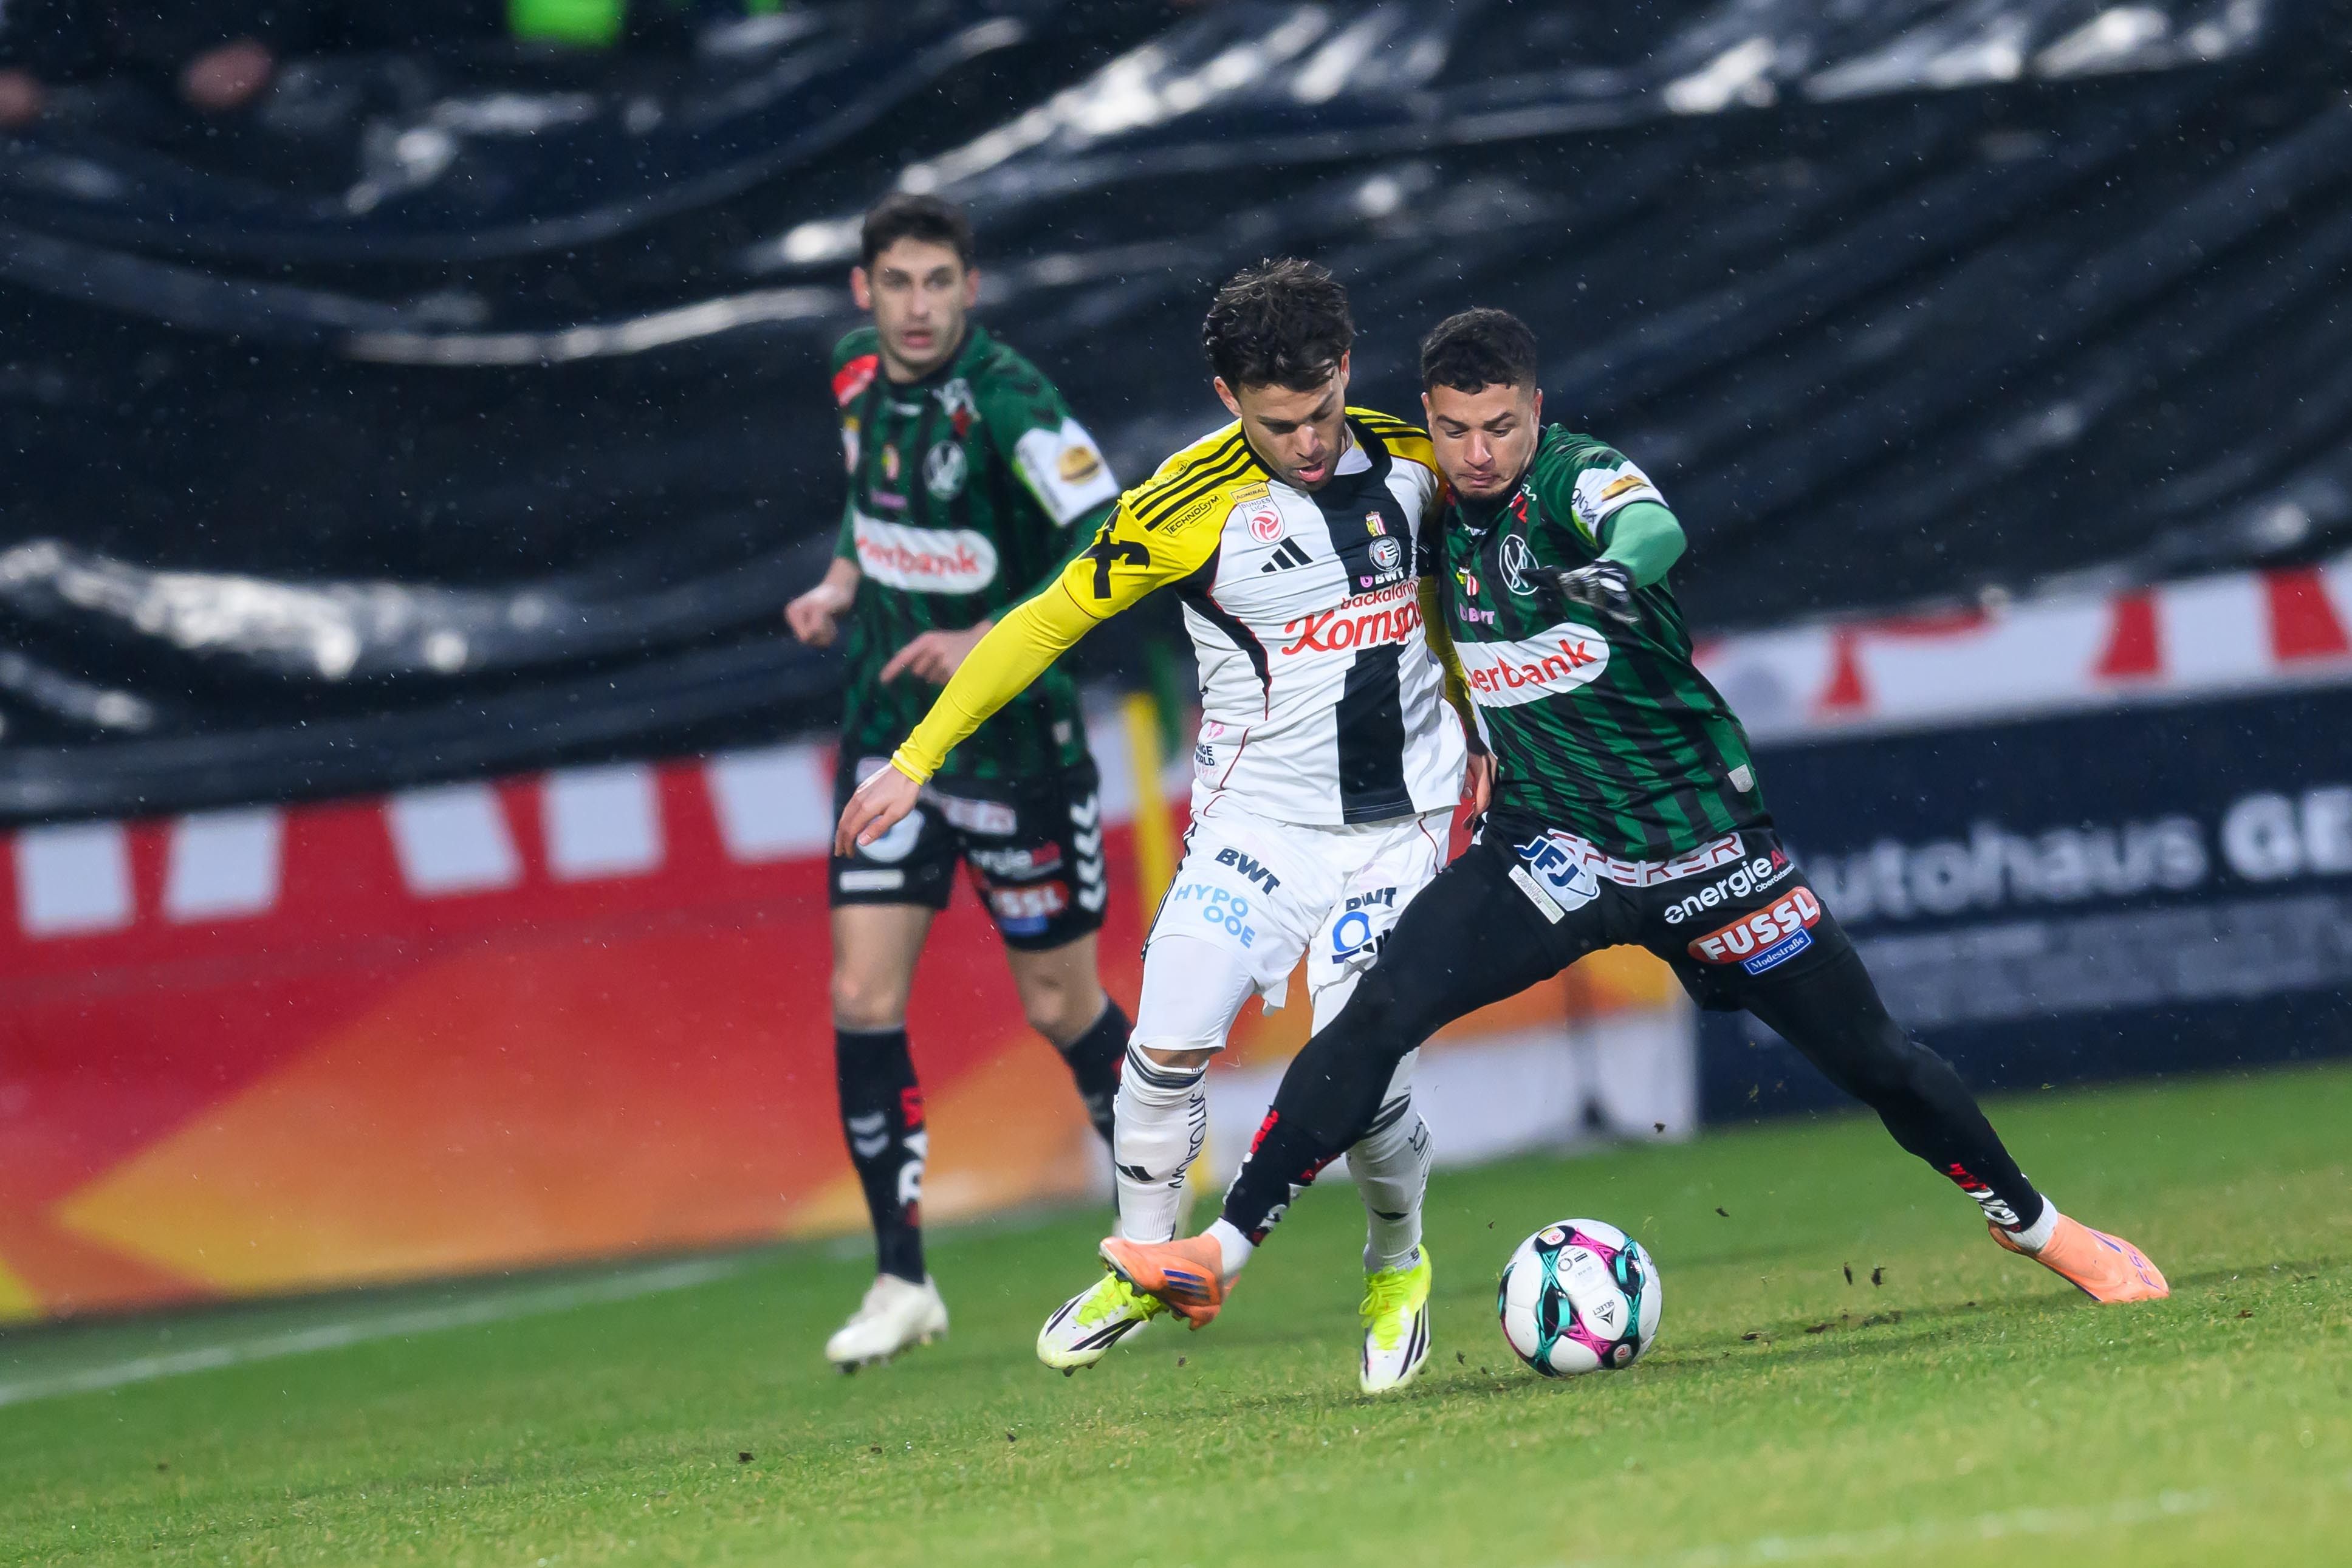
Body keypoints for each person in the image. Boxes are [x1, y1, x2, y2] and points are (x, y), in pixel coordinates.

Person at [1096, 307, 2169, 1336]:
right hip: (1548, 851)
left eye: (1502, 424)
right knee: (1377, 1014)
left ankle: (2037, 1226)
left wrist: (1617, 569)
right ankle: (1219, 1253)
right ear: (1427, 419)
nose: (1479, 452)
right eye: (1456, 429)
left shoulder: (1575, 477)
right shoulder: (1419, 509)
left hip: (1703, 850)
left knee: (1878, 1059)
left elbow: (1652, 523)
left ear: (1537, 408)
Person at [837, 259, 1489, 1393]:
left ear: (1345, 368)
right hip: (1257, 823)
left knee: (1364, 1065)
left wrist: (1497, 725)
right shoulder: (1179, 508)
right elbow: (1041, 624)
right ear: (1229, 399)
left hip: (1403, 821)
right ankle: (1147, 1259)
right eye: (1280, 423)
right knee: (1162, 1049)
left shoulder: (1421, 458)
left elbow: (1493, 586)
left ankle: (1398, 1263)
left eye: (1324, 409)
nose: (1311, 442)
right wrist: (915, 757)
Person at [786, 193, 1133, 1371]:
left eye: (940, 282)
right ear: (862, 292)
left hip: (1013, 752)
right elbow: (869, 501)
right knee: (860, 993)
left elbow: (1114, 539)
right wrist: (841, 584)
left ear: (971, 289)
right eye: (899, 284)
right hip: (892, 742)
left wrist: (985, 633)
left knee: (1059, 1007)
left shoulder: (1014, 403)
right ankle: (901, 1277)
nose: (919, 306)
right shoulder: (850, 379)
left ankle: (1161, 1214)